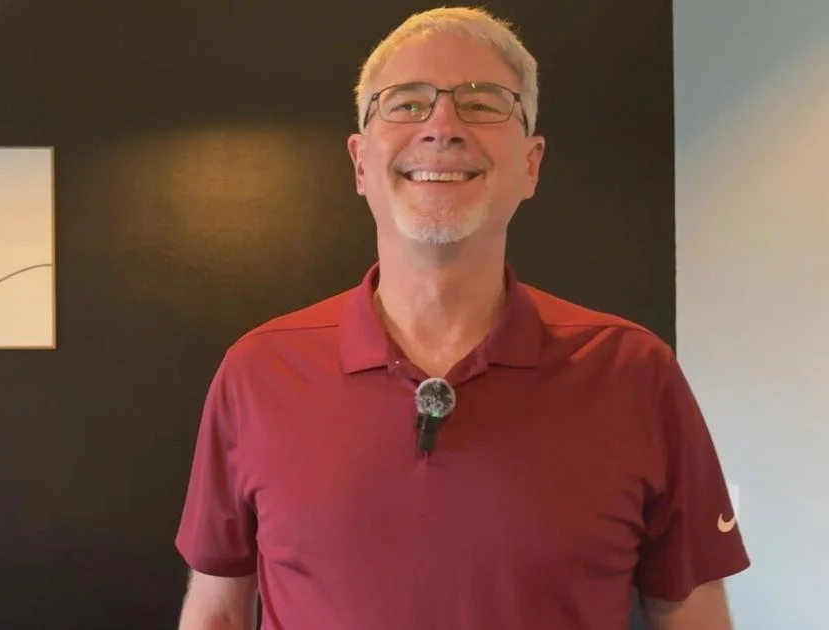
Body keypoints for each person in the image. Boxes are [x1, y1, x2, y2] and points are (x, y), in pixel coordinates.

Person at [173, 6, 749, 630]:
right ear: (360, 162)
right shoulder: (258, 372)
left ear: (531, 163)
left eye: (482, 103)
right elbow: (218, 613)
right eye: (405, 102)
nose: (442, 124)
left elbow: (691, 612)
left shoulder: (633, 370)